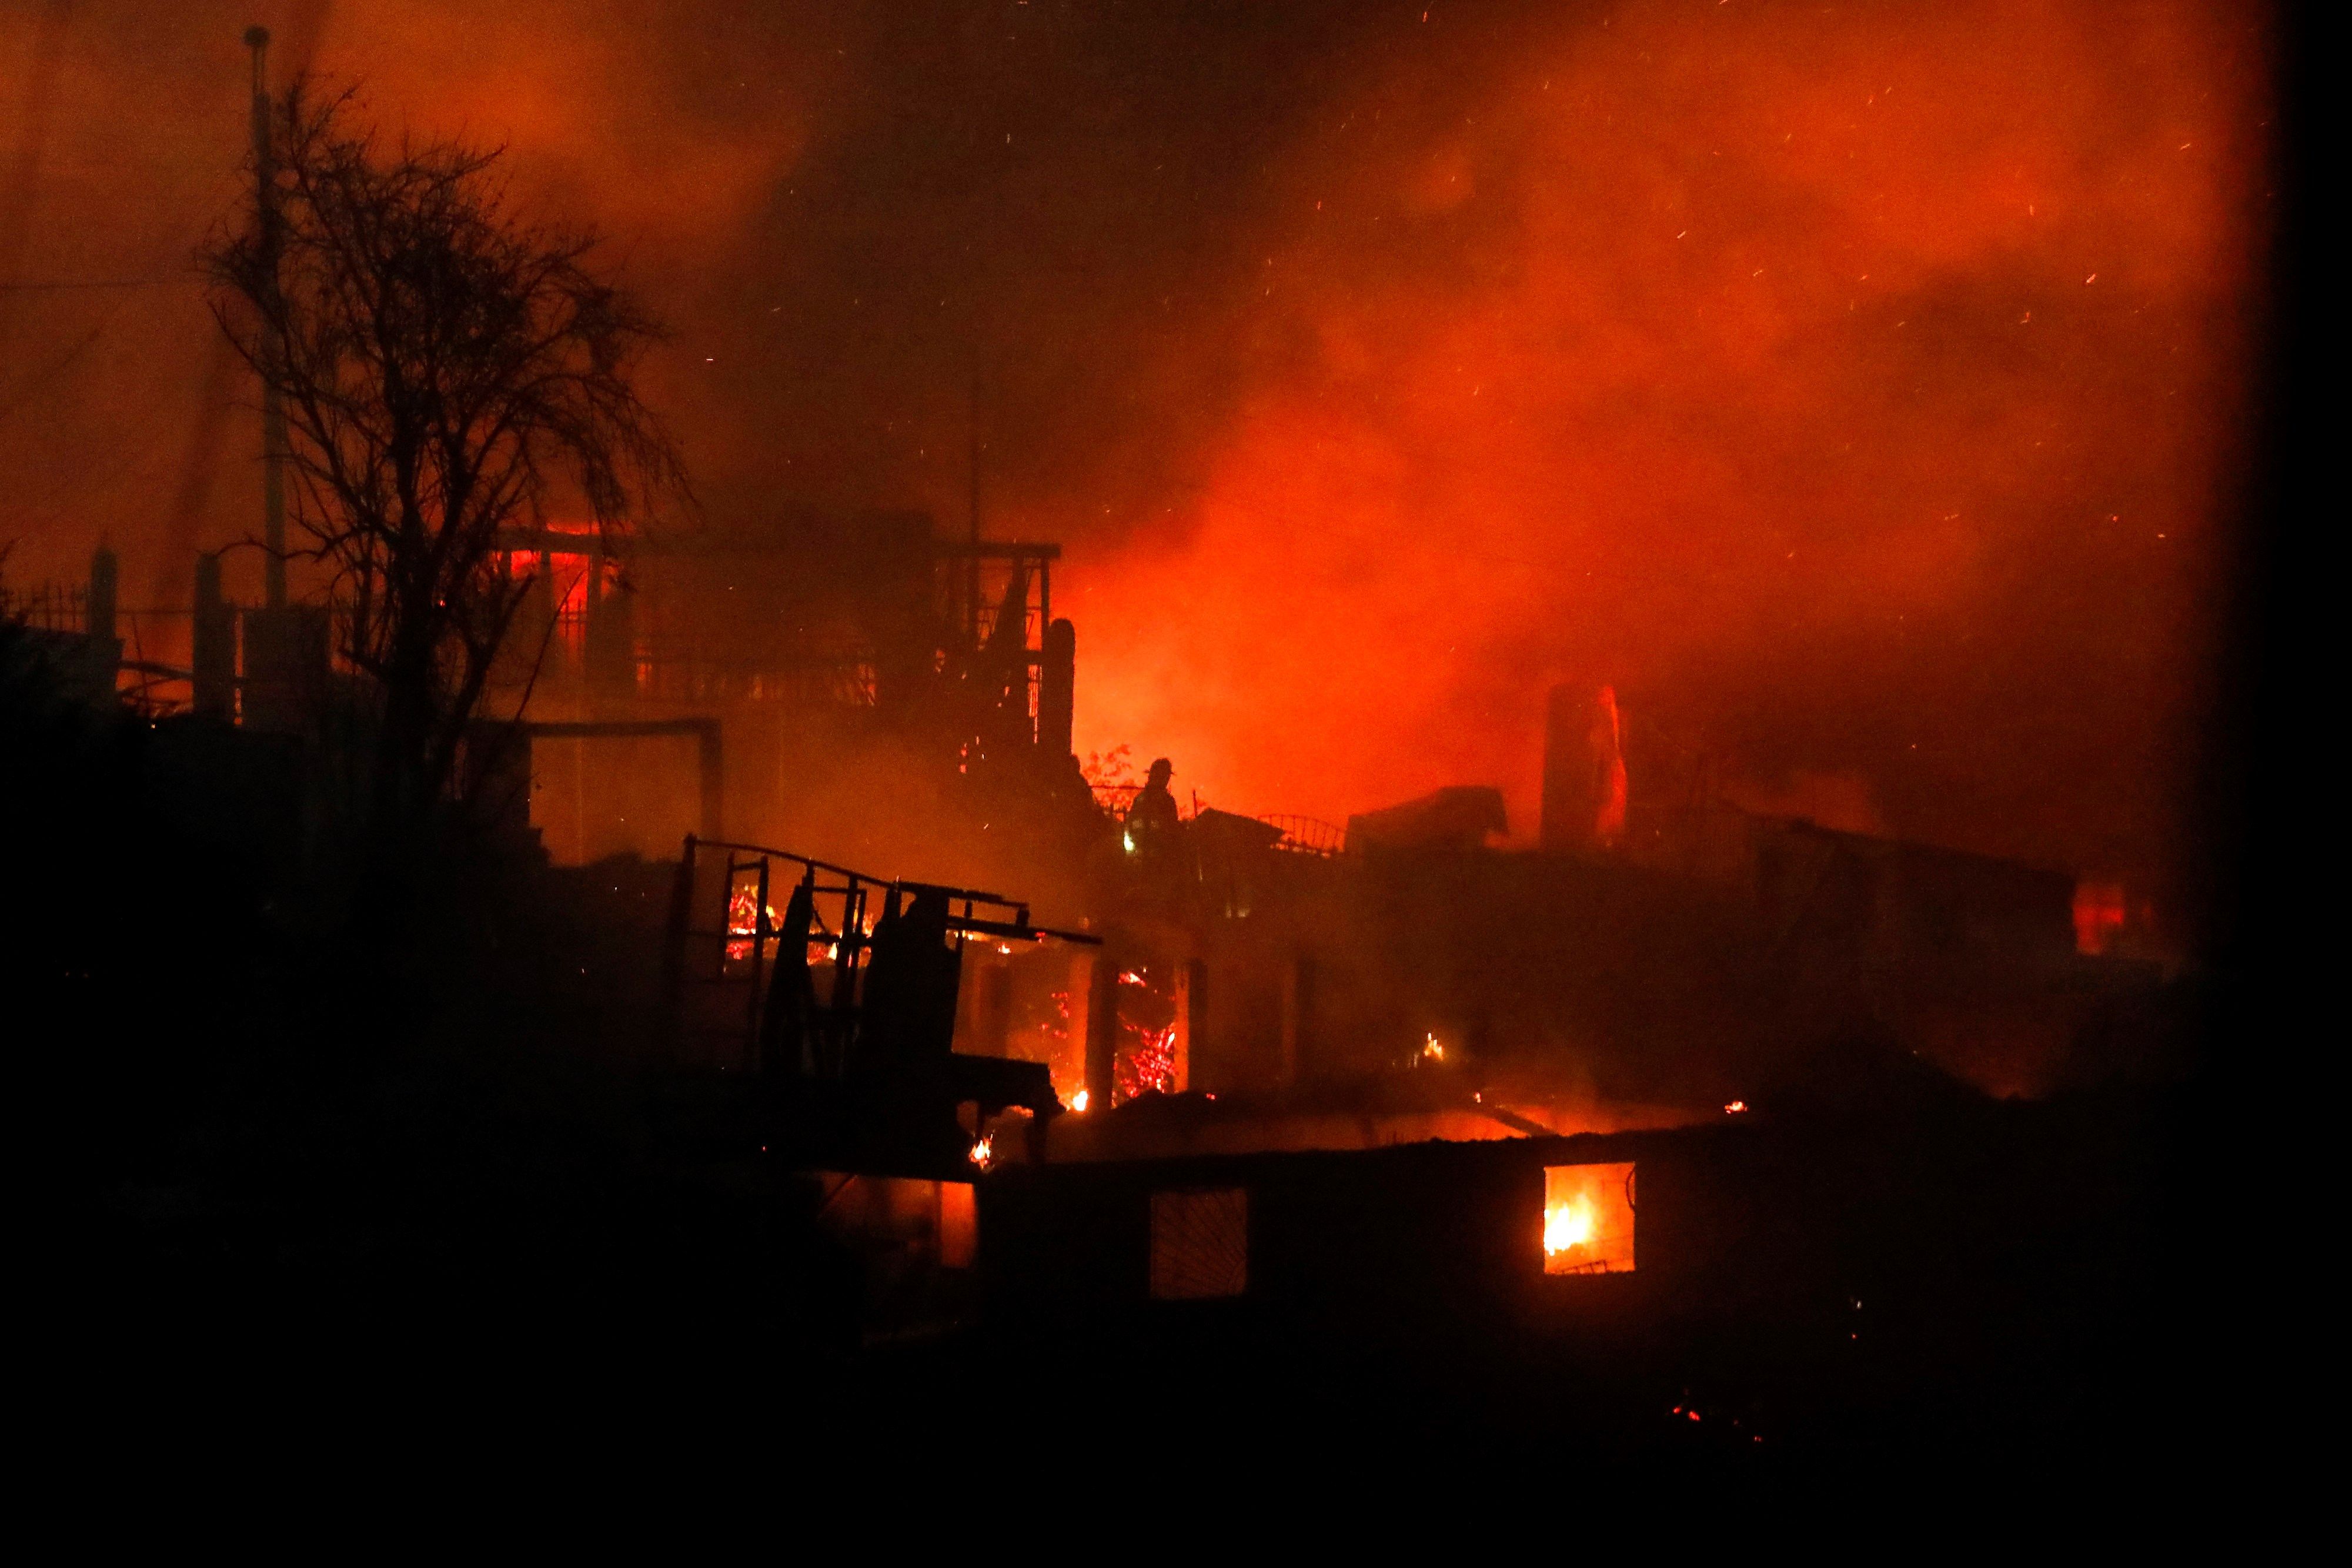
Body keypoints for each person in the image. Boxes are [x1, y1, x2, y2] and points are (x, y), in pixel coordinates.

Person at [1124, 756, 1181, 855]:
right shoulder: (1167, 801)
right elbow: (1173, 831)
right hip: (1154, 855)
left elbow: (1130, 825)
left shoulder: (1140, 799)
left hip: (1139, 854)